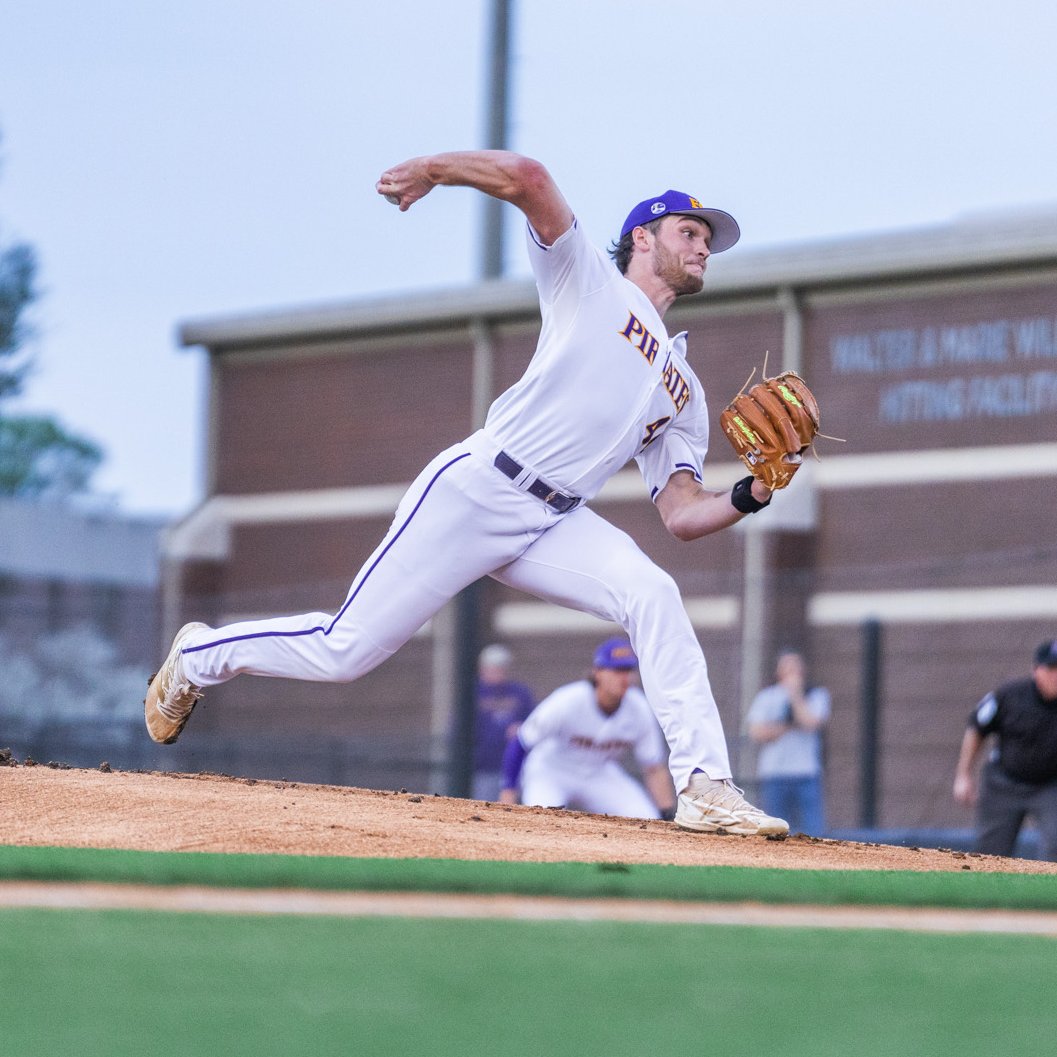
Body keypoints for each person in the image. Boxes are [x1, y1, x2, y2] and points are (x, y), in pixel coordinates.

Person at [144, 149, 789, 837]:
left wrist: (752, 491)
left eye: (707, 240)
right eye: (688, 232)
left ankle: (702, 784)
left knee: (652, 591)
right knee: (345, 651)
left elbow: (682, 514)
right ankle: (198, 656)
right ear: (642, 237)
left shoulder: (682, 388)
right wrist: (432, 169)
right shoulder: (592, 283)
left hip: (555, 520)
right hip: (481, 488)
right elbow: (528, 178)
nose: (702, 247)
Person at [499, 638, 675, 820]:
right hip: (551, 771)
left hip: (599, 773)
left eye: (629, 670)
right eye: (617, 670)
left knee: (645, 818)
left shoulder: (639, 708)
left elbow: (653, 767)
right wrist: (508, 793)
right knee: (542, 818)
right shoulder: (568, 700)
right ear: (597, 672)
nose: (624, 677)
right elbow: (521, 742)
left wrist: (666, 813)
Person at [953, 639, 1057, 860]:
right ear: (1036, 670)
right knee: (989, 854)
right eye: (1051, 669)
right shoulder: (1009, 695)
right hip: (1004, 783)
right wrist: (964, 775)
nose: (1056, 676)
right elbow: (977, 727)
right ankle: (985, 896)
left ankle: (1049, 895)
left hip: (1050, 786)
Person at [745, 650, 831, 835]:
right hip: (775, 774)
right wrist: (786, 726)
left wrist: (795, 696)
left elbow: (811, 723)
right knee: (776, 829)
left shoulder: (816, 695)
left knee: (814, 830)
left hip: (806, 773)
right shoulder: (767, 697)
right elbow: (756, 732)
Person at [471, 643, 535, 802]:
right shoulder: (472, 693)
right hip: (483, 767)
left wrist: (522, 728)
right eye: (491, 668)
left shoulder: (519, 693)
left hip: (515, 766)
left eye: (500, 668)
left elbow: (534, 721)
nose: (496, 673)